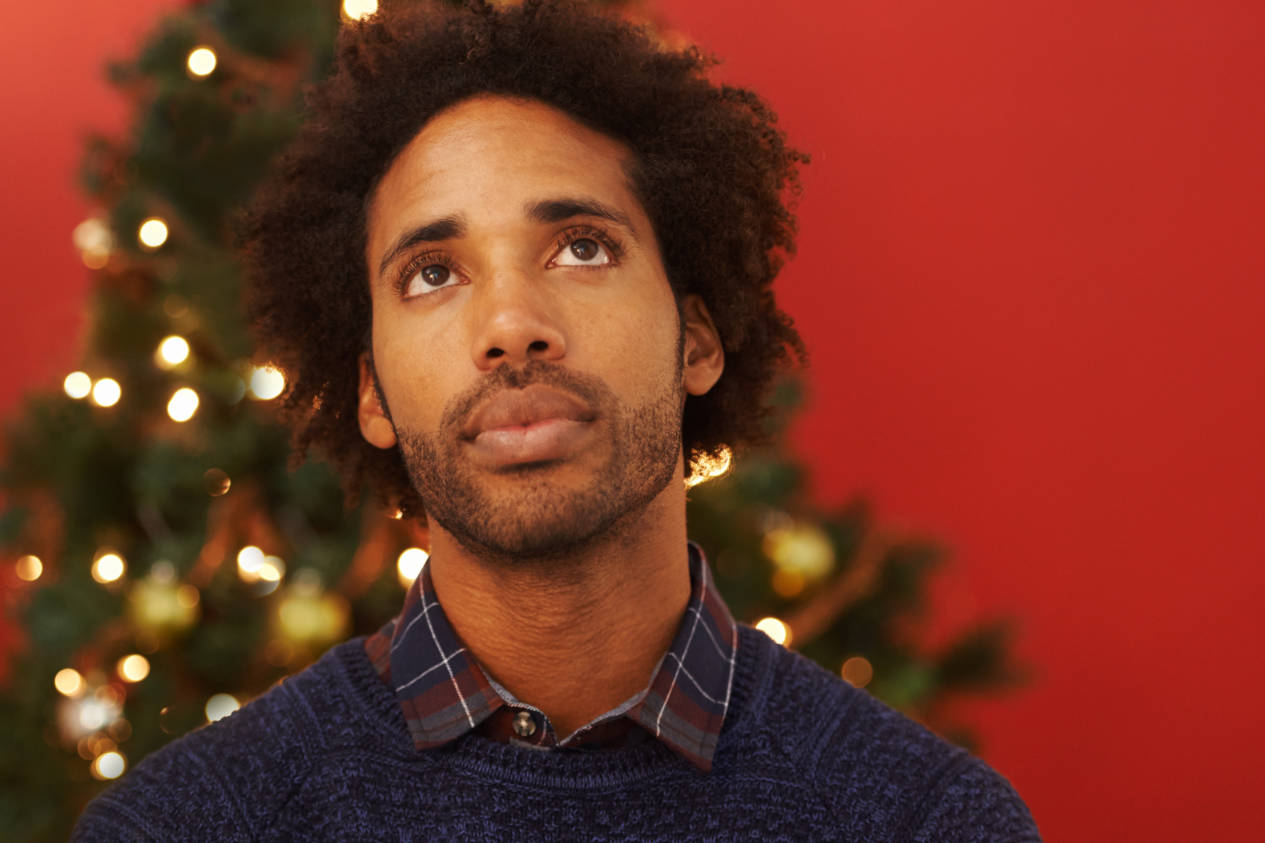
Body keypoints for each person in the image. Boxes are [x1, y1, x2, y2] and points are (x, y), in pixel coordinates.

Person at [73, 0, 1040, 839]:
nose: (510, 329)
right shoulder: (186, 824)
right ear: (370, 392)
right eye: (433, 273)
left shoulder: (925, 820)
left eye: (580, 248)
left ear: (696, 338)